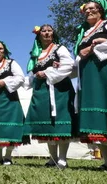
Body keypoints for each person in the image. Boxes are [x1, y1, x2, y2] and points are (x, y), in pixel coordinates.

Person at [73, 0, 107, 171]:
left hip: (106, 71)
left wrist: (92, 49)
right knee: (96, 118)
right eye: (86, 9)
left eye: (93, 8)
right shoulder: (84, 32)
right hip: (89, 76)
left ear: (101, 10)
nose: (89, 11)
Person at [24, 25, 76, 169]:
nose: (46, 33)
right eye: (43, 31)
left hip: (59, 89)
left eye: (49, 31)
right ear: (39, 35)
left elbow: (69, 65)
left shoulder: (60, 49)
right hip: (41, 91)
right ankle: (52, 158)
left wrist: (48, 72)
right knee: (47, 122)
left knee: (60, 122)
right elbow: (31, 74)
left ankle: (62, 159)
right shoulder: (36, 54)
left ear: (53, 34)